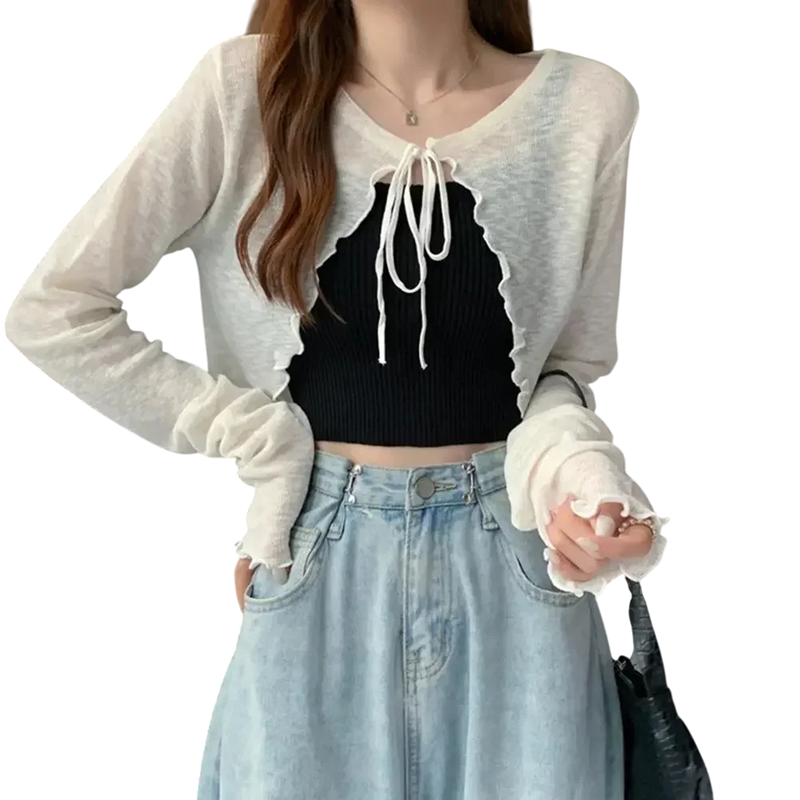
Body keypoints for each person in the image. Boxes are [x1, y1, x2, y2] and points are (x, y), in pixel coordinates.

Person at [4, 1, 671, 798]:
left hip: (523, 583)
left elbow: (564, 370)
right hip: (317, 562)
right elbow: (55, 309)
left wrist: (586, 483)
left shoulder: (586, 106)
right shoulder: (242, 94)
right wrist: (258, 439)